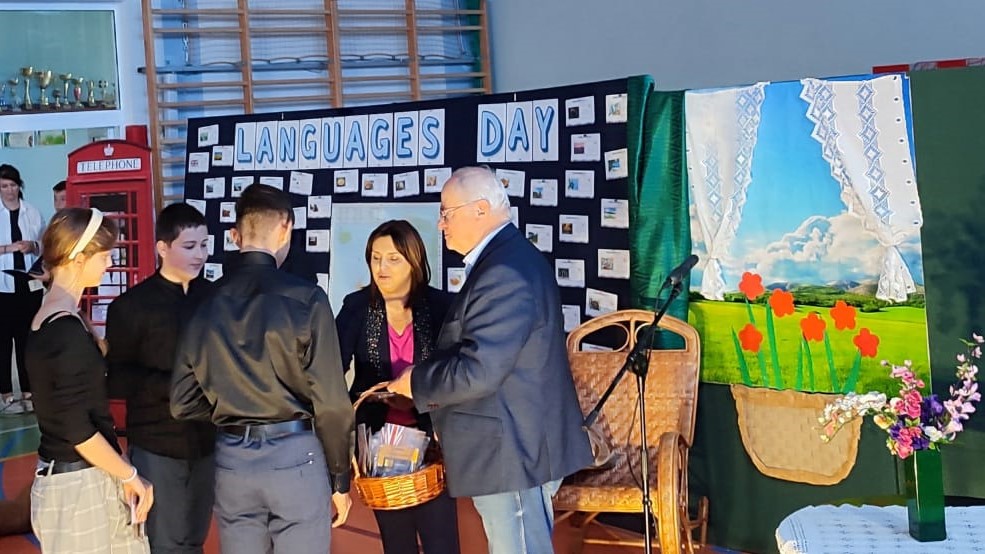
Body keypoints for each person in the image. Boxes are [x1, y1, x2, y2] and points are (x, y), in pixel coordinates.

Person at [388, 166, 593, 553]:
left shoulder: (504, 272)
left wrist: (416, 382)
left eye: (446, 212)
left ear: (480, 209)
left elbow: (480, 369)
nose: (441, 223)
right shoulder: (506, 261)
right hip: (511, 449)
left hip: (511, 453)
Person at [171, 183, 353, 554]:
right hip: (295, 454)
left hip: (233, 458)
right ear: (286, 228)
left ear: (236, 234)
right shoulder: (307, 298)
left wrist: (232, 405)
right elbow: (332, 404)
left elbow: (181, 402)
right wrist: (340, 478)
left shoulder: (204, 302)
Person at [25, 207, 153, 552]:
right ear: (79, 257)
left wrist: (120, 470)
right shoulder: (63, 329)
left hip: (87, 477)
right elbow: (77, 429)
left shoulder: (63, 318)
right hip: (77, 487)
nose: (110, 263)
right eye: (105, 255)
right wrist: (129, 474)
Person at [336, 220, 461, 554]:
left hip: (433, 446)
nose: (382, 268)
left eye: (393, 259)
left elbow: (458, 372)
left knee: (442, 543)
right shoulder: (356, 307)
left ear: (414, 261)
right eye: (375, 258)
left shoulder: (442, 308)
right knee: (397, 544)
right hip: (379, 450)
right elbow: (332, 372)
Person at [106, 202, 215, 554]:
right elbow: (116, 376)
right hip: (156, 441)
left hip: (209, 439)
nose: (200, 255)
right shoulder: (130, 306)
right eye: (189, 246)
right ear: (162, 248)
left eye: (204, 245)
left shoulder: (217, 298)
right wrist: (171, 387)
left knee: (196, 538)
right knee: (164, 543)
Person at [0, 163, 45, 414]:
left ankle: (28, 391)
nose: (9, 190)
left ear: (20, 186)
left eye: (13, 185)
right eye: (4, 186)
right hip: (2, 287)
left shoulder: (33, 212)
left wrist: (32, 246)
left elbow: (45, 243)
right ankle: (6, 393)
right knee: (3, 340)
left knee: (26, 340)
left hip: (29, 284)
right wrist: (9, 248)